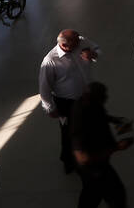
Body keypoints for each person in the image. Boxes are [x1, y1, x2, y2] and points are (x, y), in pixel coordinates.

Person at [38, 30, 100, 174]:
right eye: (76, 43)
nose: (80, 44)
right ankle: (69, 161)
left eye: (79, 41)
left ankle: (88, 151)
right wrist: (50, 108)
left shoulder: (80, 41)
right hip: (67, 104)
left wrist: (94, 54)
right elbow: (44, 87)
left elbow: (97, 48)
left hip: (87, 96)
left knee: (89, 125)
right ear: (65, 45)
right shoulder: (50, 61)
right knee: (69, 133)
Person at [71, 82, 133, 208]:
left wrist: (114, 119)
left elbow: (98, 114)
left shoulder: (89, 104)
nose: (107, 97)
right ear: (93, 98)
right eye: (103, 95)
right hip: (95, 171)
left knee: (91, 200)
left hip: (97, 169)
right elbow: (83, 158)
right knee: (113, 196)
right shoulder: (80, 121)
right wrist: (118, 147)